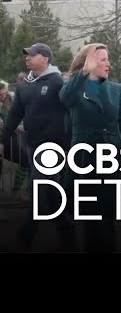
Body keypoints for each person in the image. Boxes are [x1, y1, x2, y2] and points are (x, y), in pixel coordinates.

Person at [59, 43, 121, 252]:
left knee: (107, 218)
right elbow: (64, 98)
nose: (108, 63)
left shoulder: (116, 90)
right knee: (89, 217)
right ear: (88, 62)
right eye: (102, 59)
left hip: (111, 158)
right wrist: (84, 72)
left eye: (108, 59)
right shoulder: (75, 88)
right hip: (85, 158)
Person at [0, 43, 74, 251]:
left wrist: (69, 144)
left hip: (53, 147)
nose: (27, 58)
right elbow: (14, 116)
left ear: (45, 58)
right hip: (33, 146)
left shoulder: (58, 82)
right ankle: (67, 233)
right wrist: (2, 141)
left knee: (39, 187)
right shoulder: (25, 85)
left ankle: (26, 234)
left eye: (32, 55)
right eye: (27, 55)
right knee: (50, 193)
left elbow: (72, 113)